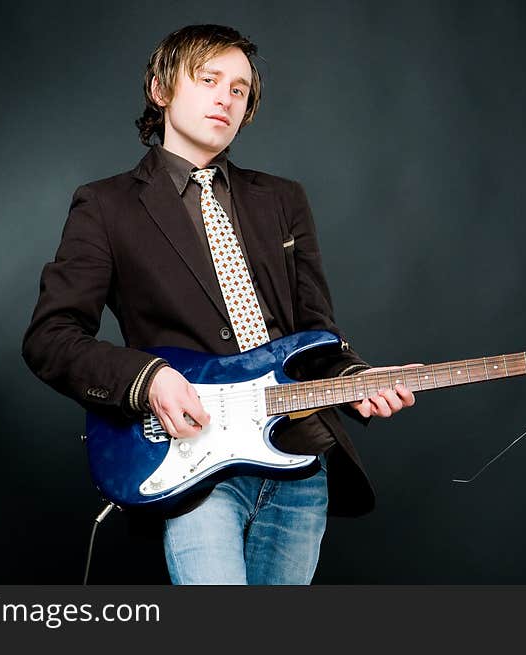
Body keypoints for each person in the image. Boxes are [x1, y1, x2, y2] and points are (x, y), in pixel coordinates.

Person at [22, 24, 416, 584]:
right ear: (160, 89)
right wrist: (149, 379)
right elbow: (51, 337)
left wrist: (356, 379)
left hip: (299, 462)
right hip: (196, 463)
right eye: (209, 79)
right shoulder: (106, 206)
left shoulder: (283, 200)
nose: (225, 98)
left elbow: (314, 330)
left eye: (239, 89)